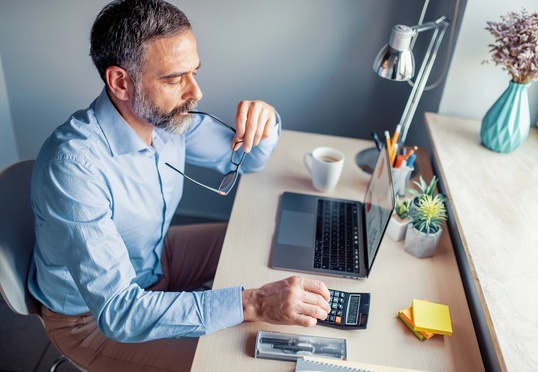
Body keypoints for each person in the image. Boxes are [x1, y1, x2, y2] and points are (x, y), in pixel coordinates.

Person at [27, 1, 331, 371]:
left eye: (194, 72)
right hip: (90, 321)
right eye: (174, 78)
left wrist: (266, 120)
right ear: (120, 82)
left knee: (261, 244)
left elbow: (249, 160)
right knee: (237, 362)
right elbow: (120, 312)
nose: (196, 92)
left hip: (155, 259)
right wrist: (252, 303)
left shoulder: (167, 119)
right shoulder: (73, 167)